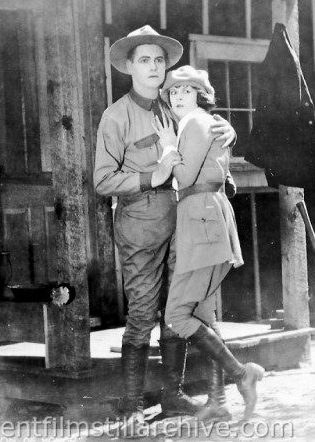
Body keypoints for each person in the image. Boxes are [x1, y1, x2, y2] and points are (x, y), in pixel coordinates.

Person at [93, 26, 236, 427]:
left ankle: (172, 397)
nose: (154, 67)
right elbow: (102, 181)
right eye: (144, 60)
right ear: (128, 67)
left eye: (159, 60)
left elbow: (202, 139)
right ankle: (134, 406)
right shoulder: (116, 116)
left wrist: (228, 130)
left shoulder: (175, 108)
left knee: (183, 308)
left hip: (185, 223)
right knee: (141, 313)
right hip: (140, 223)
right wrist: (149, 178)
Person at [156, 65, 265, 422]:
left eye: (186, 91)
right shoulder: (202, 124)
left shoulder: (196, 123)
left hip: (200, 216)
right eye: (173, 92)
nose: (178, 97)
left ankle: (241, 374)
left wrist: (169, 153)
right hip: (201, 215)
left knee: (175, 315)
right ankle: (218, 401)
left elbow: (184, 175)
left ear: (200, 95)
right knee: (202, 313)